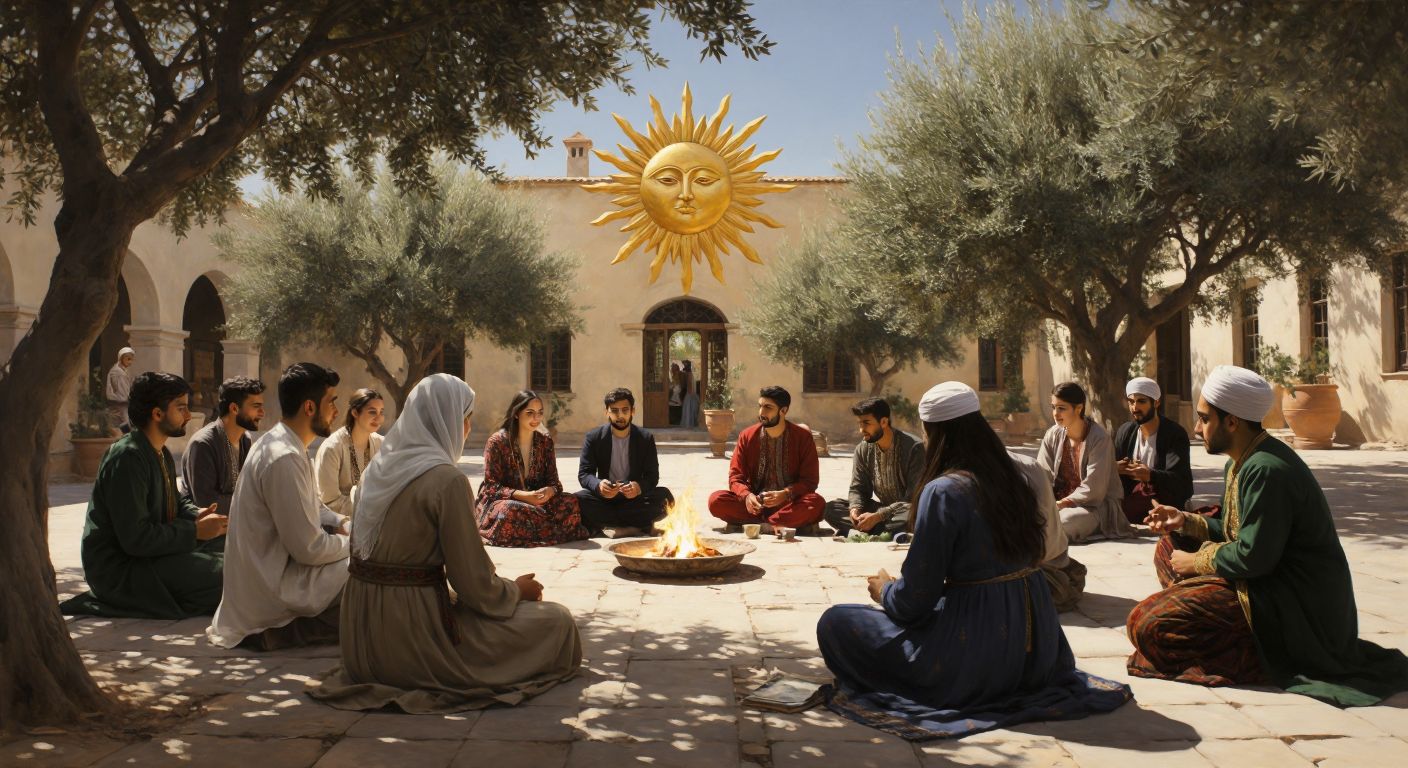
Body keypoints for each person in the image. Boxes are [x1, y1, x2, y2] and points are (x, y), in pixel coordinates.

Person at [816, 381, 1131, 740]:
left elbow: (913, 602)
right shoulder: (1023, 473)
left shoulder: (944, 491)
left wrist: (885, 590)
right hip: (1038, 647)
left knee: (837, 622)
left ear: (934, 433)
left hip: (974, 654)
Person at [1128, 365, 1408, 706]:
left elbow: (1253, 555)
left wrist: (1197, 561)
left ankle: (1254, 651)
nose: (1197, 428)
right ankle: (1214, 620)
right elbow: (1236, 531)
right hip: (1265, 583)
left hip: (1294, 605)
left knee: (1146, 625)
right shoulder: (1241, 461)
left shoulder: (1266, 469)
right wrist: (1183, 520)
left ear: (1231, 421)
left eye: (1204, 418)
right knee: (1168, 546)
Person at [308, 374, 582, 713]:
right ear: (448, 421)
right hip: (411, 635)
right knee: (556, 621)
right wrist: (515, 591)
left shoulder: (376, 471)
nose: (467, 428)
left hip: (361, 639)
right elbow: (475, 586)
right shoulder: (446, 481)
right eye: (465, 418)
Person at [60, 373, 228, 618]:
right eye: (181, 408)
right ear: (157, 414)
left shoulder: (160, 452)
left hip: (153, 553)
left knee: (233, 547)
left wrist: (198, 514)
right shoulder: (127, 457)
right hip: (123, 569)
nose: (189, 415)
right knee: (231, 576)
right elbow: (135, 539)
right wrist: (194, 532)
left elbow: (174, 501)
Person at [207, 363, 350, 651]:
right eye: (331, 402)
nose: (336, 410)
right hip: (269, 590)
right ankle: (289, 631)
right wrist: (357, 543)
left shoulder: (285, 444)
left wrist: (342, 522)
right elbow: (308, 549)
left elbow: (314, 506)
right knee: (370, 566)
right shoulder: (284, 457)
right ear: (310, 407)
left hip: (271, 574)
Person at [476, 390, 589, 547]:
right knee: (509, 511)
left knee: (570, 502)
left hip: (538, 502)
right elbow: (491, 487)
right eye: (530, 413)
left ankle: (530, 531)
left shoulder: (545, 442)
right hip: (507, 501)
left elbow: (555, 482)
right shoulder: (497, 442)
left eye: (540, 413)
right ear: (516, 413)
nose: (536, 418)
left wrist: (550, 491)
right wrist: (524, 496)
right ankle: (550, 530)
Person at [708, 386, 825, 534]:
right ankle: (776, 523)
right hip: (755, 505)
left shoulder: (802, 437)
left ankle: (763, 524)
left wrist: (785, 493)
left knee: (816, 503)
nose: (761, 413)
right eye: (760, 406)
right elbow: (736, 477)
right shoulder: (747, 435)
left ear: (783, 411)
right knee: (716, 500)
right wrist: (747, 496)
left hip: (789, 503)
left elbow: (810, 481)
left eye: (768, 407)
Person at [575, 388, 674, 537]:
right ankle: (638, 527)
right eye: (614, 411)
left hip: (633, 499)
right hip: (605, 499)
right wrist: (598, 485)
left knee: (665, 497)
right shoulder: (594, 437)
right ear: (606, 412)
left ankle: (610, 526)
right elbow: (584, 474)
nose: (620, 415)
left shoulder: (645, 438)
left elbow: (652, 476)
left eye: (624, 410)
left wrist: (638, 487)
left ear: (632, 411)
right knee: (576, 500)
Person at [1037, 382, 1128, 543]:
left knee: (1064, 522)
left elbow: (1094, 488)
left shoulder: (1099, 438)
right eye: (1053, 407)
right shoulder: (1052, 434)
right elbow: (1041, 474)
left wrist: (1062, 504)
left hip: (1094, 507)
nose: (1055, 414)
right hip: (1057, 503)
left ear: (1078, 408)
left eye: (1061, 408)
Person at [823, 397, 924, 538]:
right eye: (859, 423)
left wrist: (878, 516)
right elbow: (858, 488)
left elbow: (913, 498)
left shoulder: (913, 447)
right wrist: (855, 509)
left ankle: (865, 530)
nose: (861, 430)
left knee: (917, 513)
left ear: (883, 422)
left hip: (905, 510)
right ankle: (886, 531)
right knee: (830, 508)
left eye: (866, 423)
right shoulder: (863, 449)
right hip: (881, 510)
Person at [182, 376, 265, 517]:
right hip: (208, 534)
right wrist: (253, 502)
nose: (262, 413)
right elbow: (208, 504)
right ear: (234, 408)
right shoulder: (203, 444)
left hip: (235, 526)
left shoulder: (245, 440)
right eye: (256, 407)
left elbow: (249, 488)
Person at [1114, 377, 1193, 523]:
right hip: (1131, 496)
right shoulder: (1125, 432)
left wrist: (1150, 475)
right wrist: (1115, 468)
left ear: (1156, 402)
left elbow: (1182, 483)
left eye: (1141, 401)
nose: (1135, 407)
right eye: (1131, 401)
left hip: (1163, 497)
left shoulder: (1174, 434)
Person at [315, 388, 386, 517]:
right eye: (372, 412)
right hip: (338, 527)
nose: (379, 418)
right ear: (355, 413)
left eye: (381, 412)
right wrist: (370, 508)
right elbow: (329, 501)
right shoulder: (332, 448)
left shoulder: (382, 444)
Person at [104, 346, 136, 433]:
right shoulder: (118, 373)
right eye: (128, 359)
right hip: (121, 403)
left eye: (131, 359)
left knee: (125, 427)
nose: (130, 362)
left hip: (122, 403)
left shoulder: (122, 371)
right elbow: (122, 392)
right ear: (121, 358)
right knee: (127, 427)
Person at [680, 360, 700, 428]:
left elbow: (689, 384)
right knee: (690, 408)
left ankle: (688, 423)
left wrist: (690, 393)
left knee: (689, 408)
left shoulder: (689, 374)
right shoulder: (689, 374)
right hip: (690, 393)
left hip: (690, 393)